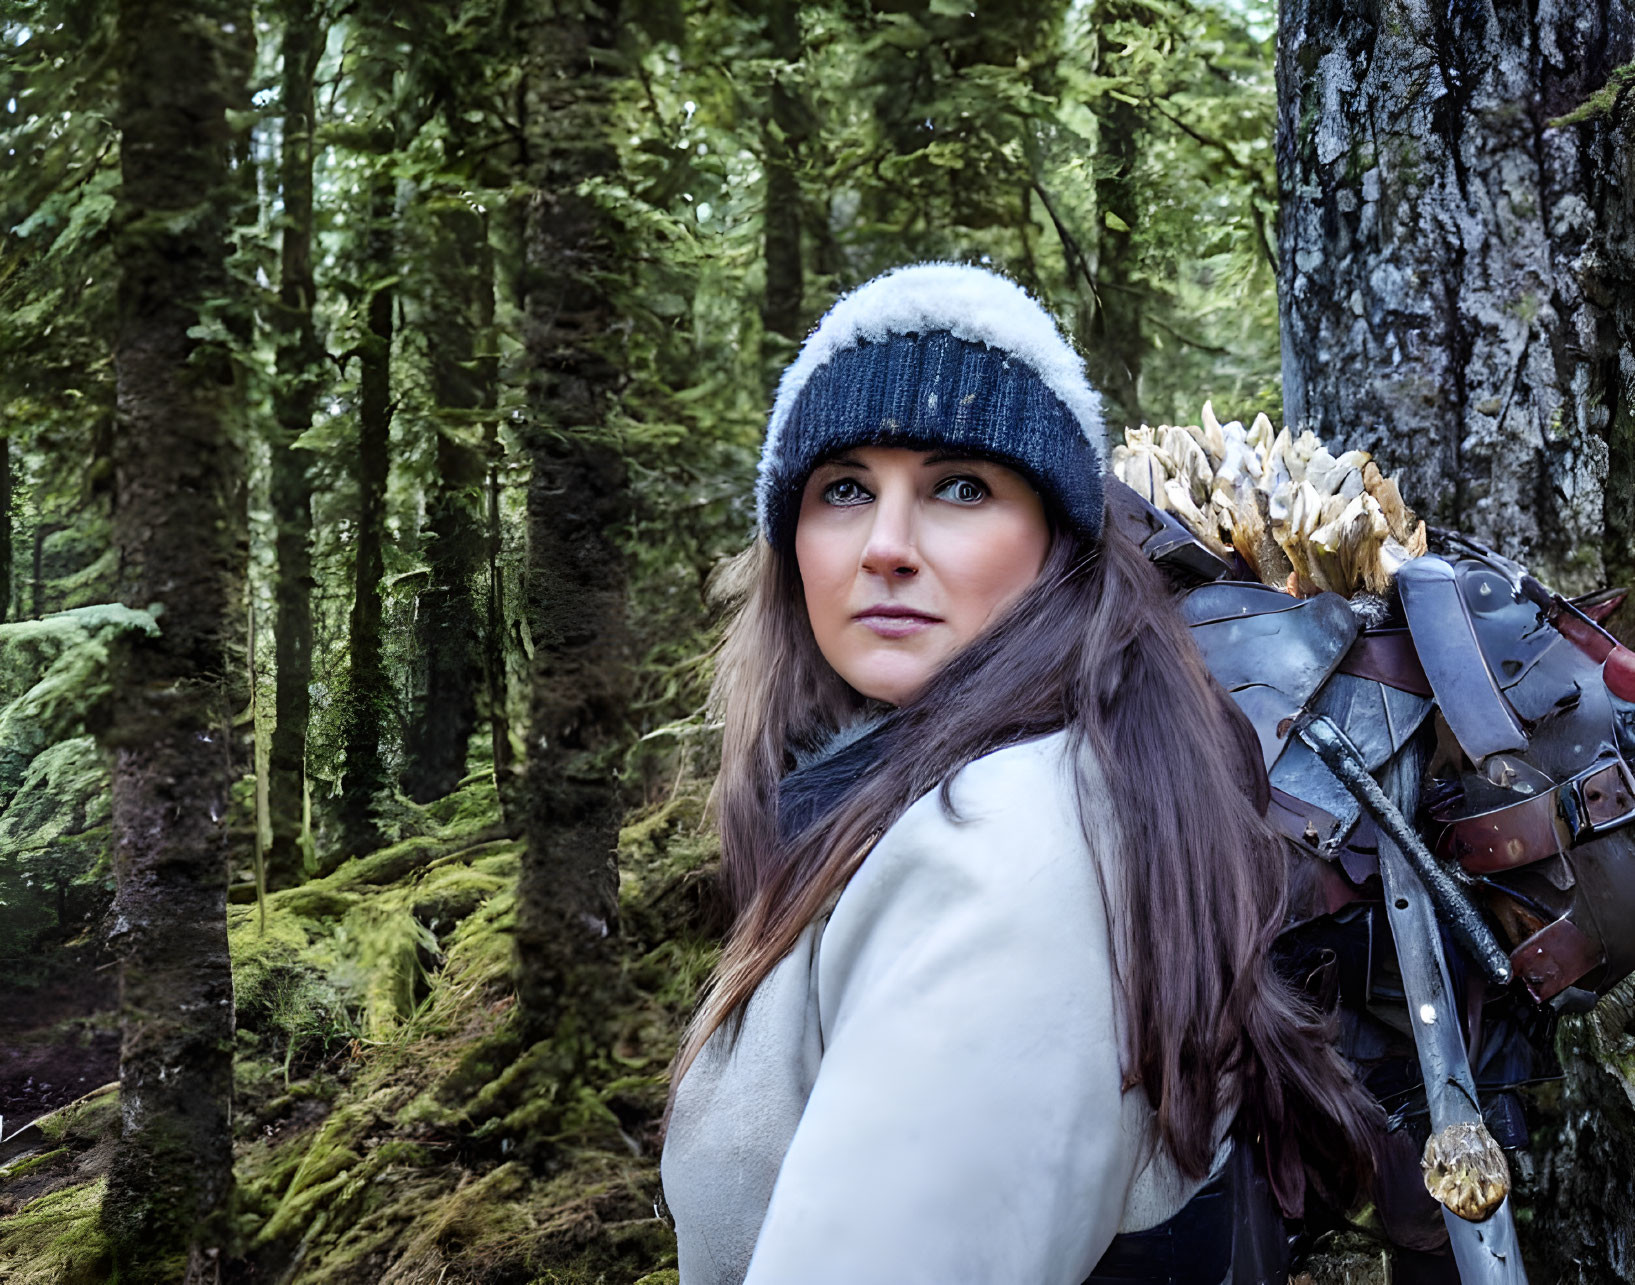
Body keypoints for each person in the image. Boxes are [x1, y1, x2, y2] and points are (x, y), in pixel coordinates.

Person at [659, 262, 1380, 1284]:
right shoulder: (917, 798)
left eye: (961, 487)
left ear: (1059, 545)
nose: (888, 547)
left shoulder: (1002, 847)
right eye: (845, 489)